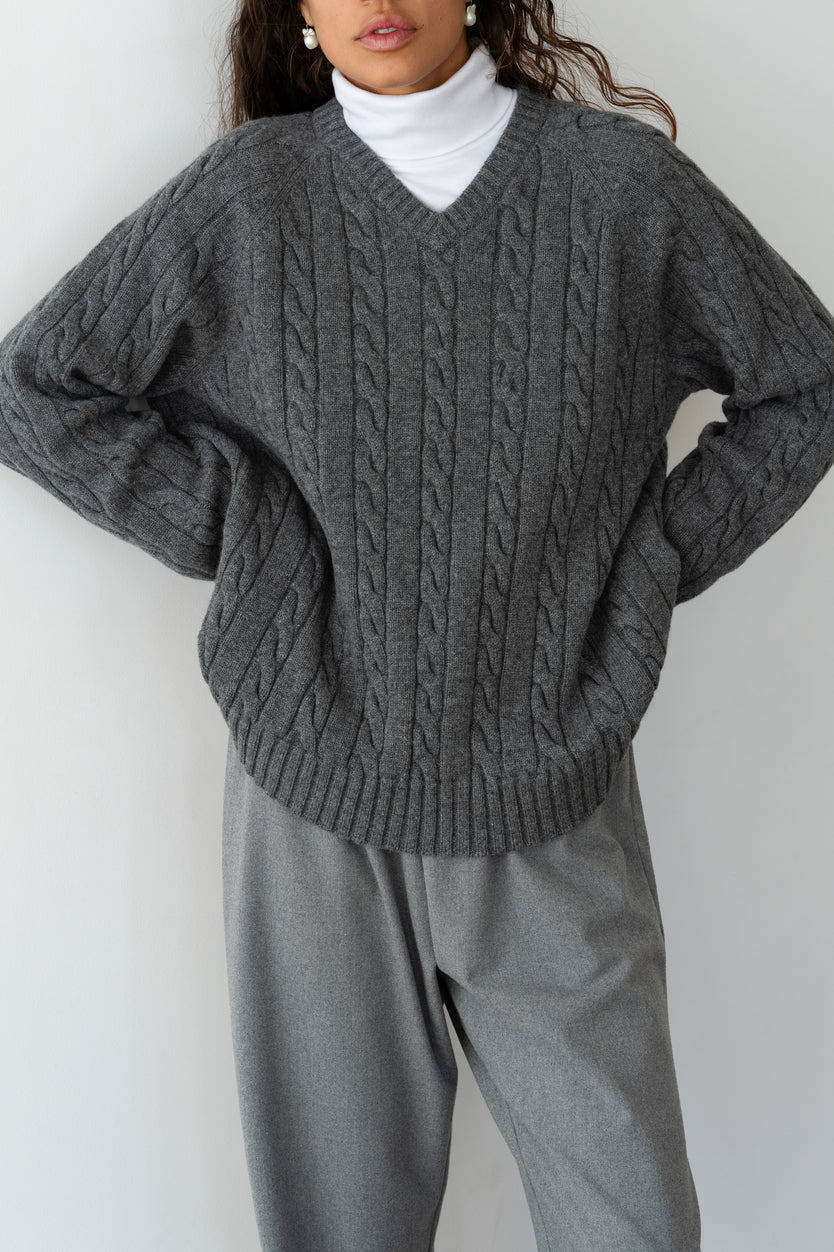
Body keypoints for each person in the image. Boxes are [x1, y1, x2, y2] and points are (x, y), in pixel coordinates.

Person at [2, 1, 833, 1249]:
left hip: (551, 797)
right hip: (311, 810)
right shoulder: (250, 197)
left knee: (634, 1227)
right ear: (299, 9)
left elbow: (805, 381)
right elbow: (38, 389)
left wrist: (646, 564)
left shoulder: (622, 193)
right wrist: (247, 532)